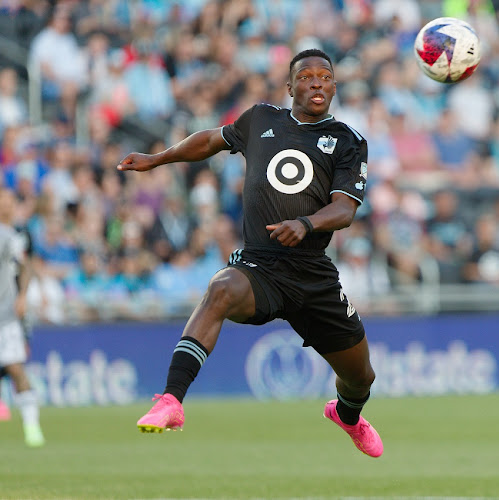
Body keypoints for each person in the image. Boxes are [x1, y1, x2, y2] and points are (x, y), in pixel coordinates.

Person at [117, 49, 382, 458]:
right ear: (289, 86)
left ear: (334, 85)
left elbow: (345, 208)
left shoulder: (349, 141)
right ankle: (171, 400)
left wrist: (307, 224)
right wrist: (159, 158)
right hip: (261, 264)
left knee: (360, 378)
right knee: (220, 288)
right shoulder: (261, 119)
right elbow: (209, 139)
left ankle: (346, 416)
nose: (316, 83)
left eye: (325, 77)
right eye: (306, 76)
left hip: (314, 274)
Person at [0, 188, 44, 446]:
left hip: (6, 315)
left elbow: (25, 266)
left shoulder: (16, 235)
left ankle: (32, 426)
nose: (5, 203)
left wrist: (22, 295)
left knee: (16, 368)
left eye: (8, 199)